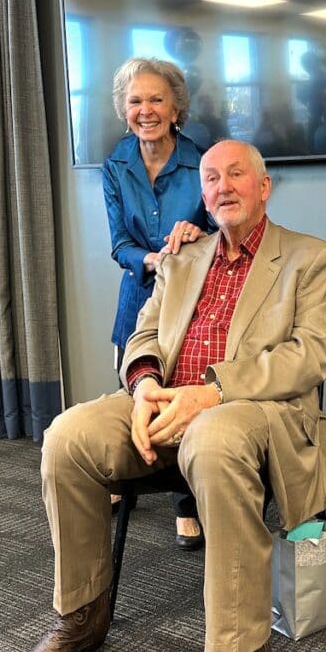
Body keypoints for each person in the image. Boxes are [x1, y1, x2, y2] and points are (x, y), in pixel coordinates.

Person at [0, 140, 326, 652]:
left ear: (265, 188)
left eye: (238, 173)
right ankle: (82, 614)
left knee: (212, 439)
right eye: (211, 178)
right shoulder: (183, 257)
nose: (223, 185)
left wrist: (208, 393)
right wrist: (147, 387)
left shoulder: (311, 258)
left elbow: (306, 359)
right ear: (203, 194)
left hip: (252, 414)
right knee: (67, 437)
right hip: (166, 404)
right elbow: (145, 331)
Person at [102, 57, 213, 550]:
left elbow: (226, 234)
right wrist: (151, 259)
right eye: (135, 101)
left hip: (190, 302)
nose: (145, 110)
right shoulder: (115, 164)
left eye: (155, 99)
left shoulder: (202, 161)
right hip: (138, 295)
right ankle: (129, 476)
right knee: (136, 390)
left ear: (175, 108)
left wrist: (198, 232)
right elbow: (118, 244)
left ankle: (186, 500)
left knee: (184, 396)